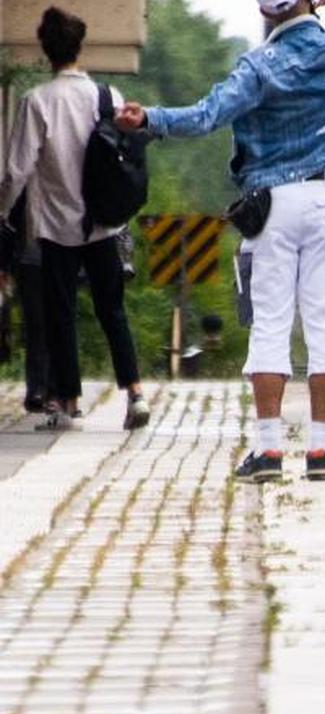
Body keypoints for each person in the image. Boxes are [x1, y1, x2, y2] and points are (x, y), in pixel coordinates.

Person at [116, 0, 325, 482]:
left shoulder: (259, 66)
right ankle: (322, 450)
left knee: (271, 324)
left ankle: (270, 451)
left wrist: (149, 117)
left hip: (270, 205)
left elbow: (206, 115)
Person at [0, 7, 150, 431]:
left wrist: (2, 213)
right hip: (104, 223)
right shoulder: (109, 97)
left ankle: (68, 403)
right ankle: (135, 394)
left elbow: (16, 170)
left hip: (55, 228)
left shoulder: (37, 102)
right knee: (113, 311)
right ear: (79, 46)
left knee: (59, 314)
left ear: (45, 50)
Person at [1, 193, 52, 414]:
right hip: (31, 251)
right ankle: (39, 388)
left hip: (62, 248)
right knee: (37, 322)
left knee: (53, 321)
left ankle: (53, 387)